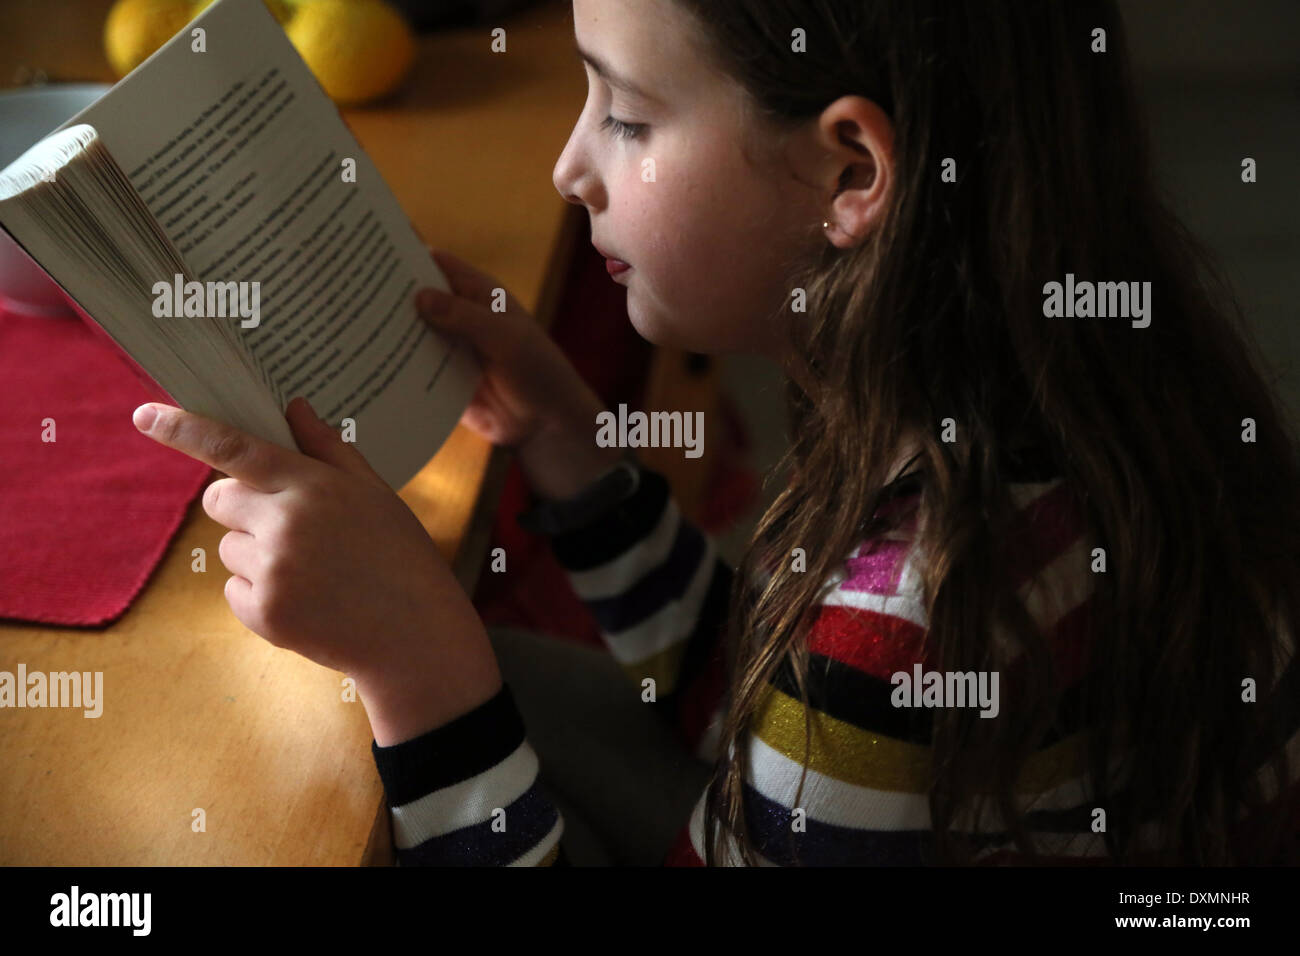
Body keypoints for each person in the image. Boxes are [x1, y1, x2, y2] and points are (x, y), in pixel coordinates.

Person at [134, 0, 1300, 866]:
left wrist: (416, 670)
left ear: (851, 171)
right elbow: (751, 697)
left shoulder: (913, 620)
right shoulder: (1042, 390)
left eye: (627, 116)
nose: (568, 166)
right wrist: (573, 446)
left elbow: (827, 691)